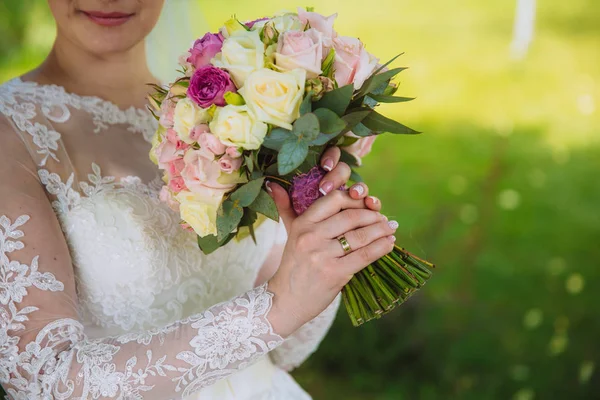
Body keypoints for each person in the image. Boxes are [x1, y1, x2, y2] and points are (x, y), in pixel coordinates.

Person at [0, 1, 398, 399]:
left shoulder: (227, 109)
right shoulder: (12, 132)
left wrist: (321, 244)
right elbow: (41, 380)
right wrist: (275, 308)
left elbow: (284, 350)